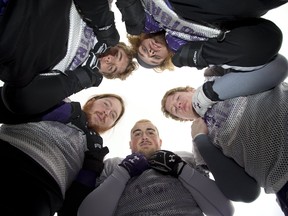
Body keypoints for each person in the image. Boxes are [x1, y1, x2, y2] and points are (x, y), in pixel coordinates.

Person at [160, 55, 288, 214]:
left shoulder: (213, 75)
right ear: (183, 119)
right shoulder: (198, 143)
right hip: (284, 179)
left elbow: (275, 64)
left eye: (177, 98)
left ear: (190, 89)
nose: (178, 105)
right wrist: (201, 139)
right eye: (175, 110)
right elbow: (246, 193)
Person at [76, 119, 261, 216]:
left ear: (160, 141)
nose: (144, 137)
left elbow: (223, 211)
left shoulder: (184, 158)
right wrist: (123, 173)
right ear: (130, 144)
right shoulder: (113, 165)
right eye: (137, 133)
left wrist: (181, 169)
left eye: (150, 132)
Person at [0, 92, 125, 216]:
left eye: (113, 115)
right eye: (106, 104)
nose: (106, 113)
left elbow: (73, 206)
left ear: (110, 126)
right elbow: (13, 103)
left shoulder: (96, 151)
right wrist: (63, 110)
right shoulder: (64, 102)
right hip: (10, 149)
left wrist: (93, 165)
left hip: (44, 187)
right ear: (92, 101)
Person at [0, 0, 137, 113]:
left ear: (105, 74)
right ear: (117, 45)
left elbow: (17, 99)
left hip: (15, 46)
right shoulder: (102, 18)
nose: (109, 60)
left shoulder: (70, 78)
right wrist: (105, 26)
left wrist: (80, 79)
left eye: (111, 68)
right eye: (116, 55)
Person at [116, 0, 284, 72]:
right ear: (166, 58)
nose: (151, 51)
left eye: (144, 49)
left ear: (142, 38)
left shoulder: (147, 12)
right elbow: (268, 39)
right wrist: (201, 56)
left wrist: (129, 5)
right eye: (154, 57)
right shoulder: (197, 43)